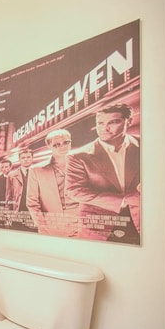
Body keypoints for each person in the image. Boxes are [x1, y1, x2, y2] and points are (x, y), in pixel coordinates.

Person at [66, 103, 141, 243]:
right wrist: (124, 200)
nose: (104, 128)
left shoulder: (145, 144)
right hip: (98, 227)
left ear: (129, 121)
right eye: (100, 123)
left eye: (113, 122)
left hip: (141, 221)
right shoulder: (78, 156)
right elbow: (74, 191)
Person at [26, 129, 80, 237]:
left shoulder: (84, 164)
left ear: (71, 142)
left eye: (66, 142)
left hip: (82, 223)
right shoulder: (36, 170)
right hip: (53, 226)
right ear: (49, 146)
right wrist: (42, 226)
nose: (62, 147)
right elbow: (32, 203)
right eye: (56, 145)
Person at [6, 148, 37, 231]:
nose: (26, 160)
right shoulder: (12, 175)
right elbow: (9, 196)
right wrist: (9, 214)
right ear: (19, 159)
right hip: (18, 210)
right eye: (23, 158)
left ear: (32, 158)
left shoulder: (39, 172)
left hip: (34, 211)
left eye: (28, 157)